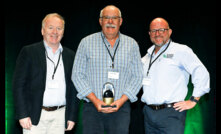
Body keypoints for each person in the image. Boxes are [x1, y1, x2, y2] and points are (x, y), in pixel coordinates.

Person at [71, 5, 143, 134]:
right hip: (92, 108)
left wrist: (121, 101)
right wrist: (95, 100)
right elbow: (77, 75)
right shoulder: (86, 42)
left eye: (114, 18)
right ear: (100, 21)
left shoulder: (132, 44)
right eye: (106, 18)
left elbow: (137, 77)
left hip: (121, 109)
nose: (110, 22)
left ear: (120, 21)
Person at [12, 13, 79, 134]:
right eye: (50, 27)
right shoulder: (29, 52)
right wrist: (22, 114)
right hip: (34, 116)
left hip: (60, 116)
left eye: (59, 28)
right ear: (43, 30)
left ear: (63, 32)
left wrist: (72, 116)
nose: (55, 32)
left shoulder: (71, 55)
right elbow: (18, 85)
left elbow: (74, 89)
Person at [141, 17, 210, 134]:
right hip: (149, 114)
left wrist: (193, 100)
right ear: (149, 34)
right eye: (153, 31)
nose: (157, 34)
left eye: (161, 30)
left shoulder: (181, 50)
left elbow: (201, 72)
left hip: (171, 114)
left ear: (169, 32)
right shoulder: (146, 58)